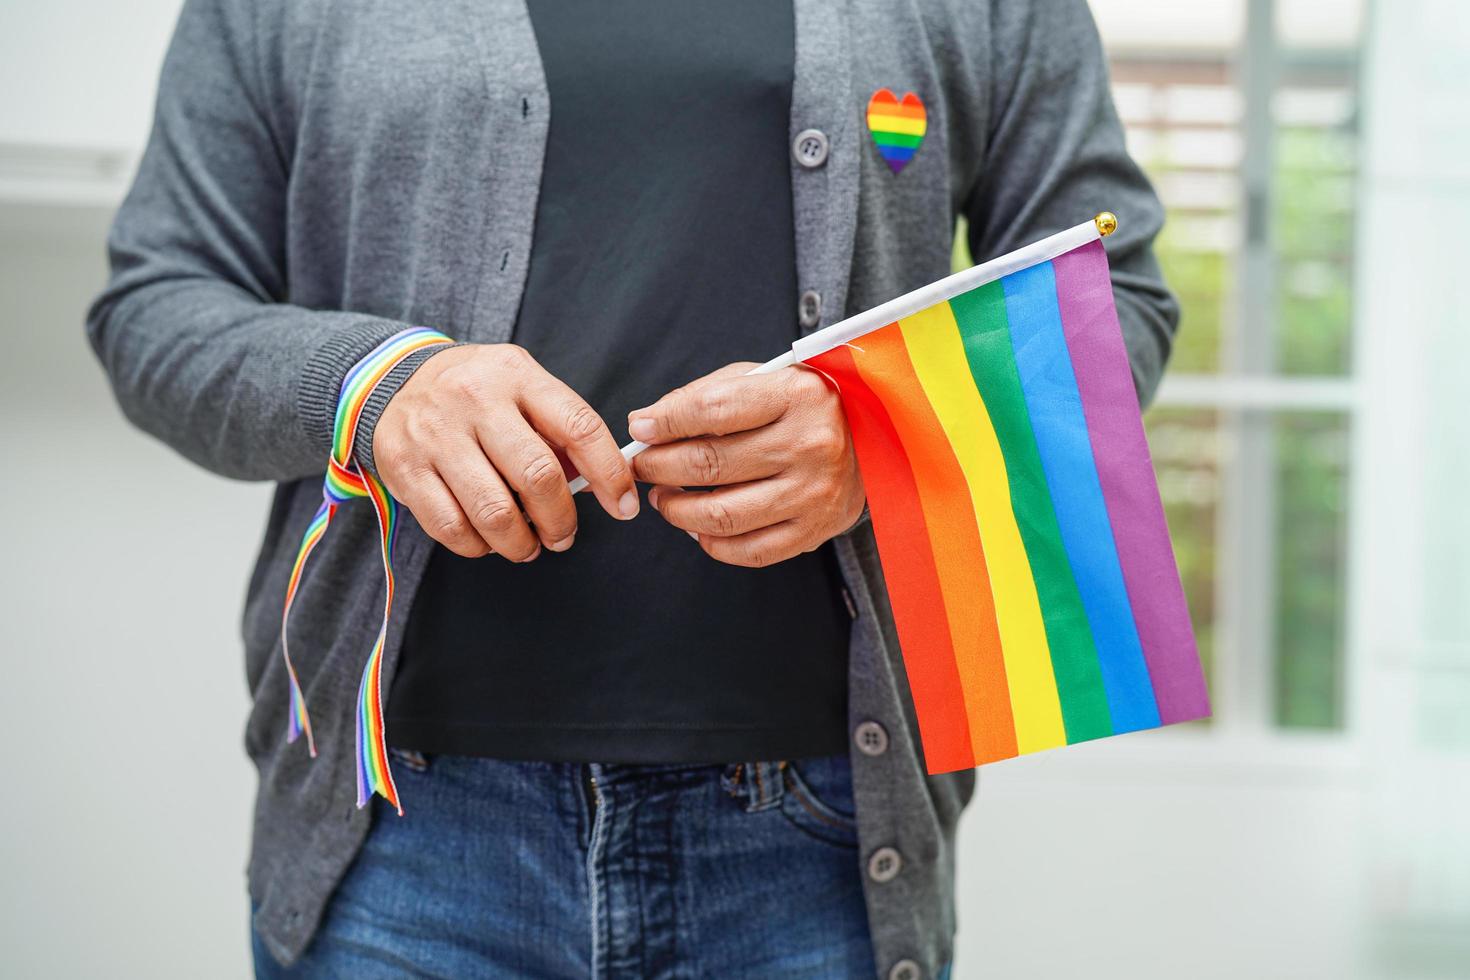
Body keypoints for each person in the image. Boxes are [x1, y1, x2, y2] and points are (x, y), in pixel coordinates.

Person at [87, 0, 1179, 976]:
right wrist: (376, 390)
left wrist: (885, 436)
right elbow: (157, 303)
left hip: (826, 836)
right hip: (397, 839)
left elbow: (1114, 291)